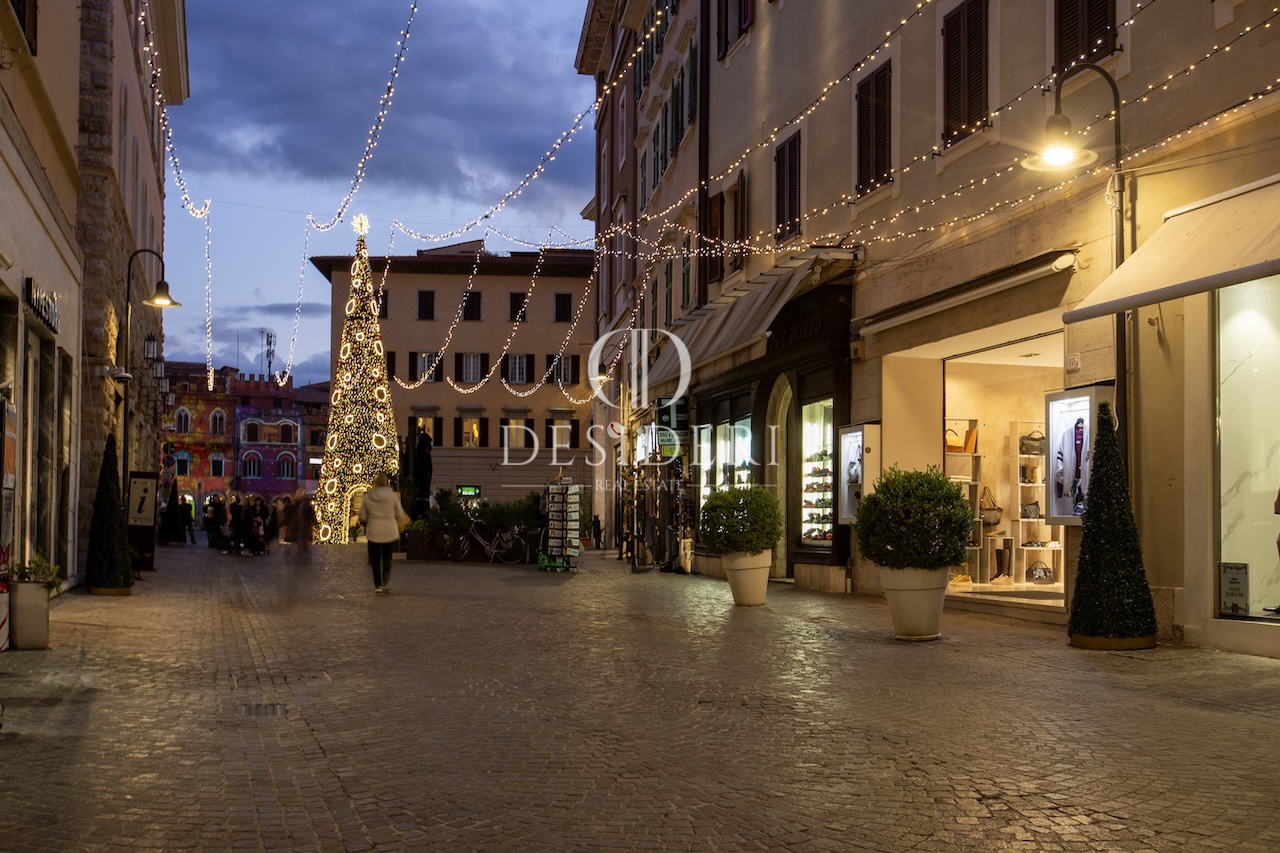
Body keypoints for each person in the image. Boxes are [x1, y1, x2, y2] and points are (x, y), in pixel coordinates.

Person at [358, 473, 408, 594]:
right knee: (387, 556)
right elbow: (399, 513)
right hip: (389, 528)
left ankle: (378, 585)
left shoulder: (368, 496)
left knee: (375, 558)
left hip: (374, 529)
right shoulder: (392, 496)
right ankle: (386, 579)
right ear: (386, 483)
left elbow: (363, 516)